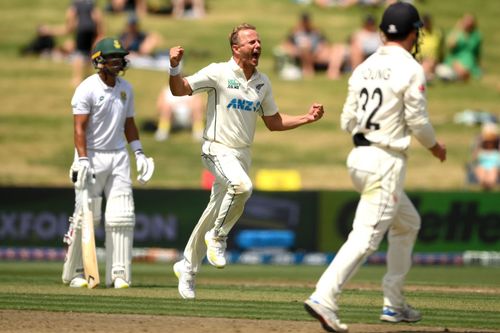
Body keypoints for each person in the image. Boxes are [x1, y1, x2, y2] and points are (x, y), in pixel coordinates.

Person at [303, 3, 446, 332]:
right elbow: (418, 121)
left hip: (359, 157)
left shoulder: (364, 67)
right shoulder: (410, 68)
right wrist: (435, 147)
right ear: (413, 33)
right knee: (366, 237)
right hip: (385, 160)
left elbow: (346, 121)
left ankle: (394, 304)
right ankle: (324, 296)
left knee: (408, 223)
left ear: (383, 32)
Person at [168, 23, 324, 299]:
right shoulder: (218, 72)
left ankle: (187, 268)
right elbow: (180, 90)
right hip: (216, 149)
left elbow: (273, 122)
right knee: (242, 187)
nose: (257, 46)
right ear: (236, 48)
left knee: (214, 211)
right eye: (251, 42)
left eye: (259, 41)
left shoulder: (262, 82)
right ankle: (218, 238)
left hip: (242, 154)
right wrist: (174, 67)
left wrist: (306, 118)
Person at [61, 37, 155, 289]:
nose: (118, 61)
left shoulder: (126, 88)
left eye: (120, 56)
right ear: (98, 61)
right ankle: (77, 271)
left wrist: (139, 153)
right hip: (91, 155)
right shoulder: (86, 88)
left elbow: (129, 124)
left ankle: (119, 273)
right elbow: (79, 128)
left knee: (122, 215)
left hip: (118, 156)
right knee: (86, 216)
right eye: (112, 57)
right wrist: (81, 160)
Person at [40, 0, 105, 87]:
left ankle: (76, 79)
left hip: (81, 29)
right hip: (91, 29)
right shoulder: (92, 4)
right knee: (89, 53)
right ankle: (89, 78)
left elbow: (69, 26)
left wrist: (50, 30)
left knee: (78, 53)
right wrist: (100, 34)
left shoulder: (75, 4)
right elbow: (98, 17)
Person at [326, 14, 382, 80]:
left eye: (371, 23)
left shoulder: (378, 35)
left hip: (367, 53)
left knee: (356, 49)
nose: (369, 25)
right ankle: (333, 71)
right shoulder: (358, 33)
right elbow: (349, 42)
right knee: (338, 47)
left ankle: (356, 73)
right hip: (354, 51)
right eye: (368, 23)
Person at [279, 12, 333, 77]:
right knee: (305, 47)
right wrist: (293, 50)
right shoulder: (295, 32)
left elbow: (325, 43)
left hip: (316, 52)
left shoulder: (316, 31)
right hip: (301, 52)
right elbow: (286, 43)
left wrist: (320, 49)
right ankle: (308, 69)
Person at [436, 13, 482, 82]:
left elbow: (477, 52)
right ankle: (456, 76)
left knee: (466, 71)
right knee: (455, 68)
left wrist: (478, 64)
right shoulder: (457, 33)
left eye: (470, 21)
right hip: (455, 59)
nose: (468, 24)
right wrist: (457, 29)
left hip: (470, 61)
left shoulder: (477, 36)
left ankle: (456, 76)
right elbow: (450, 45)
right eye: (466, 21)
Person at [471, 122, 500, 191]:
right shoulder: (480, 150)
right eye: (487, 141)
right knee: (481, 170)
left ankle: (489, 187)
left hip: (494, 167)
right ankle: (485, 187)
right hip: (482, 166)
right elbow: (474, 158)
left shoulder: (497, 151)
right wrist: (479, 142)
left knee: (493, 171)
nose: (489, 143)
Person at [416, 13, 444, 82]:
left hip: (435, 64)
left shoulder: (437, 33)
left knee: (446, 73)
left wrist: (435, 61)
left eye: (427, 22)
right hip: (420, 63)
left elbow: (441, 52)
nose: (426, 24)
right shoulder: (416, 34)